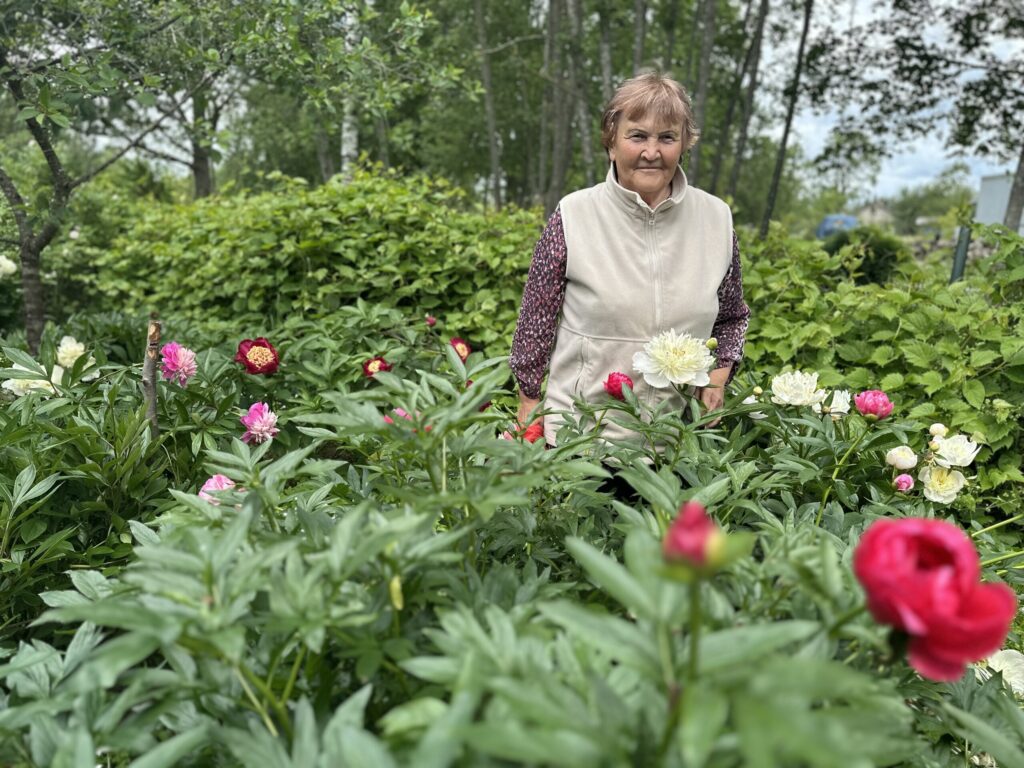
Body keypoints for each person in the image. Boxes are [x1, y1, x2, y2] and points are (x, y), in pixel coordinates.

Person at [509, 72, 750, 447]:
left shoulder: (716, 219)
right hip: (580, 437)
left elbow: (733, 317)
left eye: (667, 137)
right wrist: (528, 399)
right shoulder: (573, 215)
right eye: (637, 136)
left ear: (684, 144)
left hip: (675, 444)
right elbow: (535, 322)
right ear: (611, 143)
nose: (651, 152)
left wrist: (718, 376)